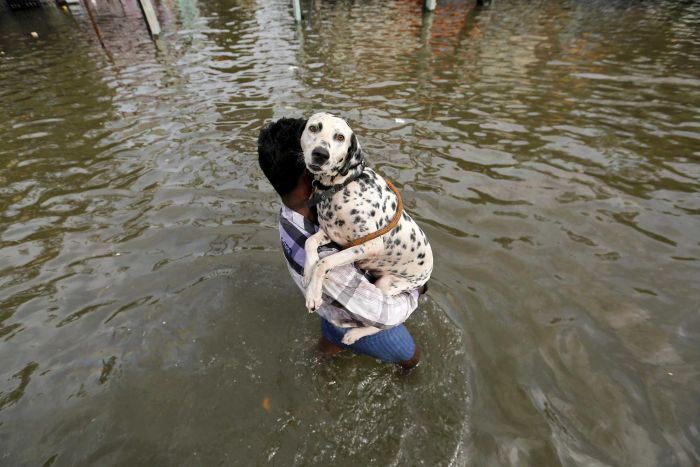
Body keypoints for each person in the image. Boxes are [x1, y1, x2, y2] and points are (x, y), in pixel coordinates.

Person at [257, 117, 422, 369]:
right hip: (353, 315)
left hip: (329, 306)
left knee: (326, 349)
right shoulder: (329, 264)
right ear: (311, 169)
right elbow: (383, 314)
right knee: (412, 359)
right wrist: (416, 291)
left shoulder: (291, 213)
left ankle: (318, 362)